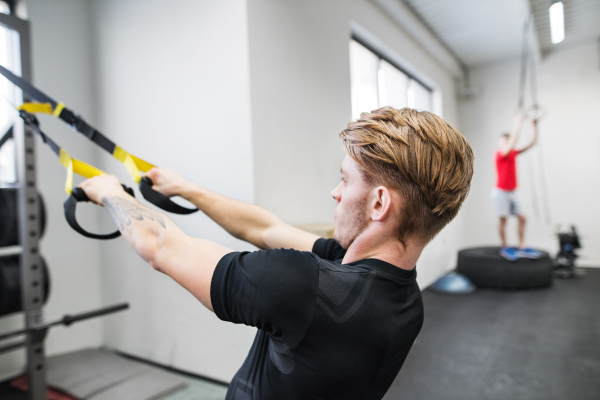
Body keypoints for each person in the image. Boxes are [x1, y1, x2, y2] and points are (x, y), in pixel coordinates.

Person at [80, 107, 474, 400]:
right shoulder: (403, 299)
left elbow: (159, 246)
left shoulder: (303, 286)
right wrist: (188, 189)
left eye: (345, 179)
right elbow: (264, 228)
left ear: (378, 204)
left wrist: (110, 192)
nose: (336, 193)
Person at [493, 113, 541, 261]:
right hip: (501, 192)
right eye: (504, 141)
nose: (506, 143)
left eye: (507, 141)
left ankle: (521, 246)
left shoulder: (513, 153)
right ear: (501, 143)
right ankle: (505, 247)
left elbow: (532, 143)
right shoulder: (501, 153)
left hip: (512, 192)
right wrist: (518, 122)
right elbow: (513, 141)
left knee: (522, 218)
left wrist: (533, 125)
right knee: (503, 220)